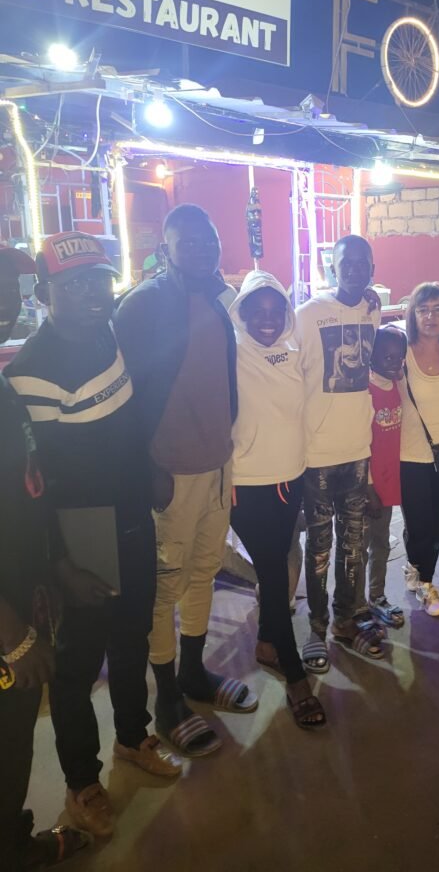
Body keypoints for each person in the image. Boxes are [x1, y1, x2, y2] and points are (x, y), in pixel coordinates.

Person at [6, 232, 180, 841]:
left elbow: (126, 420)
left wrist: (151, 466)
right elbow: (38, 487)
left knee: (133, 636)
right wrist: (62, 563)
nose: (93, 293)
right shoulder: (29, 371)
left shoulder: (108, 334)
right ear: (45, 293)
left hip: (131, 511)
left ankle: (133, 737)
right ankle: (82, 782)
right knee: (77, 666)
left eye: (99, 280)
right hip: (81, 530)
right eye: (75, 284)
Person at [114, 204, 254, 760]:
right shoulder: (143, 305)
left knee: (204, 572)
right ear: (165, 249)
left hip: (217, 465)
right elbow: (123, 395)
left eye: (208, 240)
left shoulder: (217, 300)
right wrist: (145, 467)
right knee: (164, 586)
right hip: (170, 472)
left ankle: (194, 672)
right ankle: (168, 697)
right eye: (188, 241)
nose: (201, 249)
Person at [0, 243, 91, 870]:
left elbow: (26, 491)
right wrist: (11, 634)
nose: (5, 301)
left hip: (23, 591)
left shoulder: (4, 388)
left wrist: (55, 568)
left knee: (15, 738)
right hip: (6, 627)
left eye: (11, 288)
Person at [227, 271, 325, 728]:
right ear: (242, 312)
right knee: (271, 570)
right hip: (246, 483)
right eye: (257, 311)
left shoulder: (293, 351)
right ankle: (294, 672)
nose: (267, 320)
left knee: (280, 558)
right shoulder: (230, 351)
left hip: (291, 479)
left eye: (274, 311)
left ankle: (267, 642)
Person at [295, 234, 385, 672]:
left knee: (354, 545)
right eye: (345, 262)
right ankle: (316, 628)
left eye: (361, 263)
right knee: (319, 547)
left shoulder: (372, 309)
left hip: (357, 452)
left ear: (372, 270)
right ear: (332, 267)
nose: (353, 269)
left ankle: (345, 621)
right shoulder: (307, 315)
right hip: (316, 454)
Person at [399, 282, 439, 617]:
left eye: (438, 309)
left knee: (435, 519)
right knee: (418, 521)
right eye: (423, 310)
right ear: (413, 314)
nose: (431, 316)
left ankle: (425, 579)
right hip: (409, 453)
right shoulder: (401, 351)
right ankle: (417, 571)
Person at [361, 324, 408, 628]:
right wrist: (368, 487)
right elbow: (358, 441)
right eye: (387, 357)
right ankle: (355, 604)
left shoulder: (397, 383)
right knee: (360, 548)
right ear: (372, 355)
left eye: (398, 357)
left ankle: (376, 596)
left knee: (381, 543)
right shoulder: (365, 390)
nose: (393, 363)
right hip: (369, 487)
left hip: (390, 483)